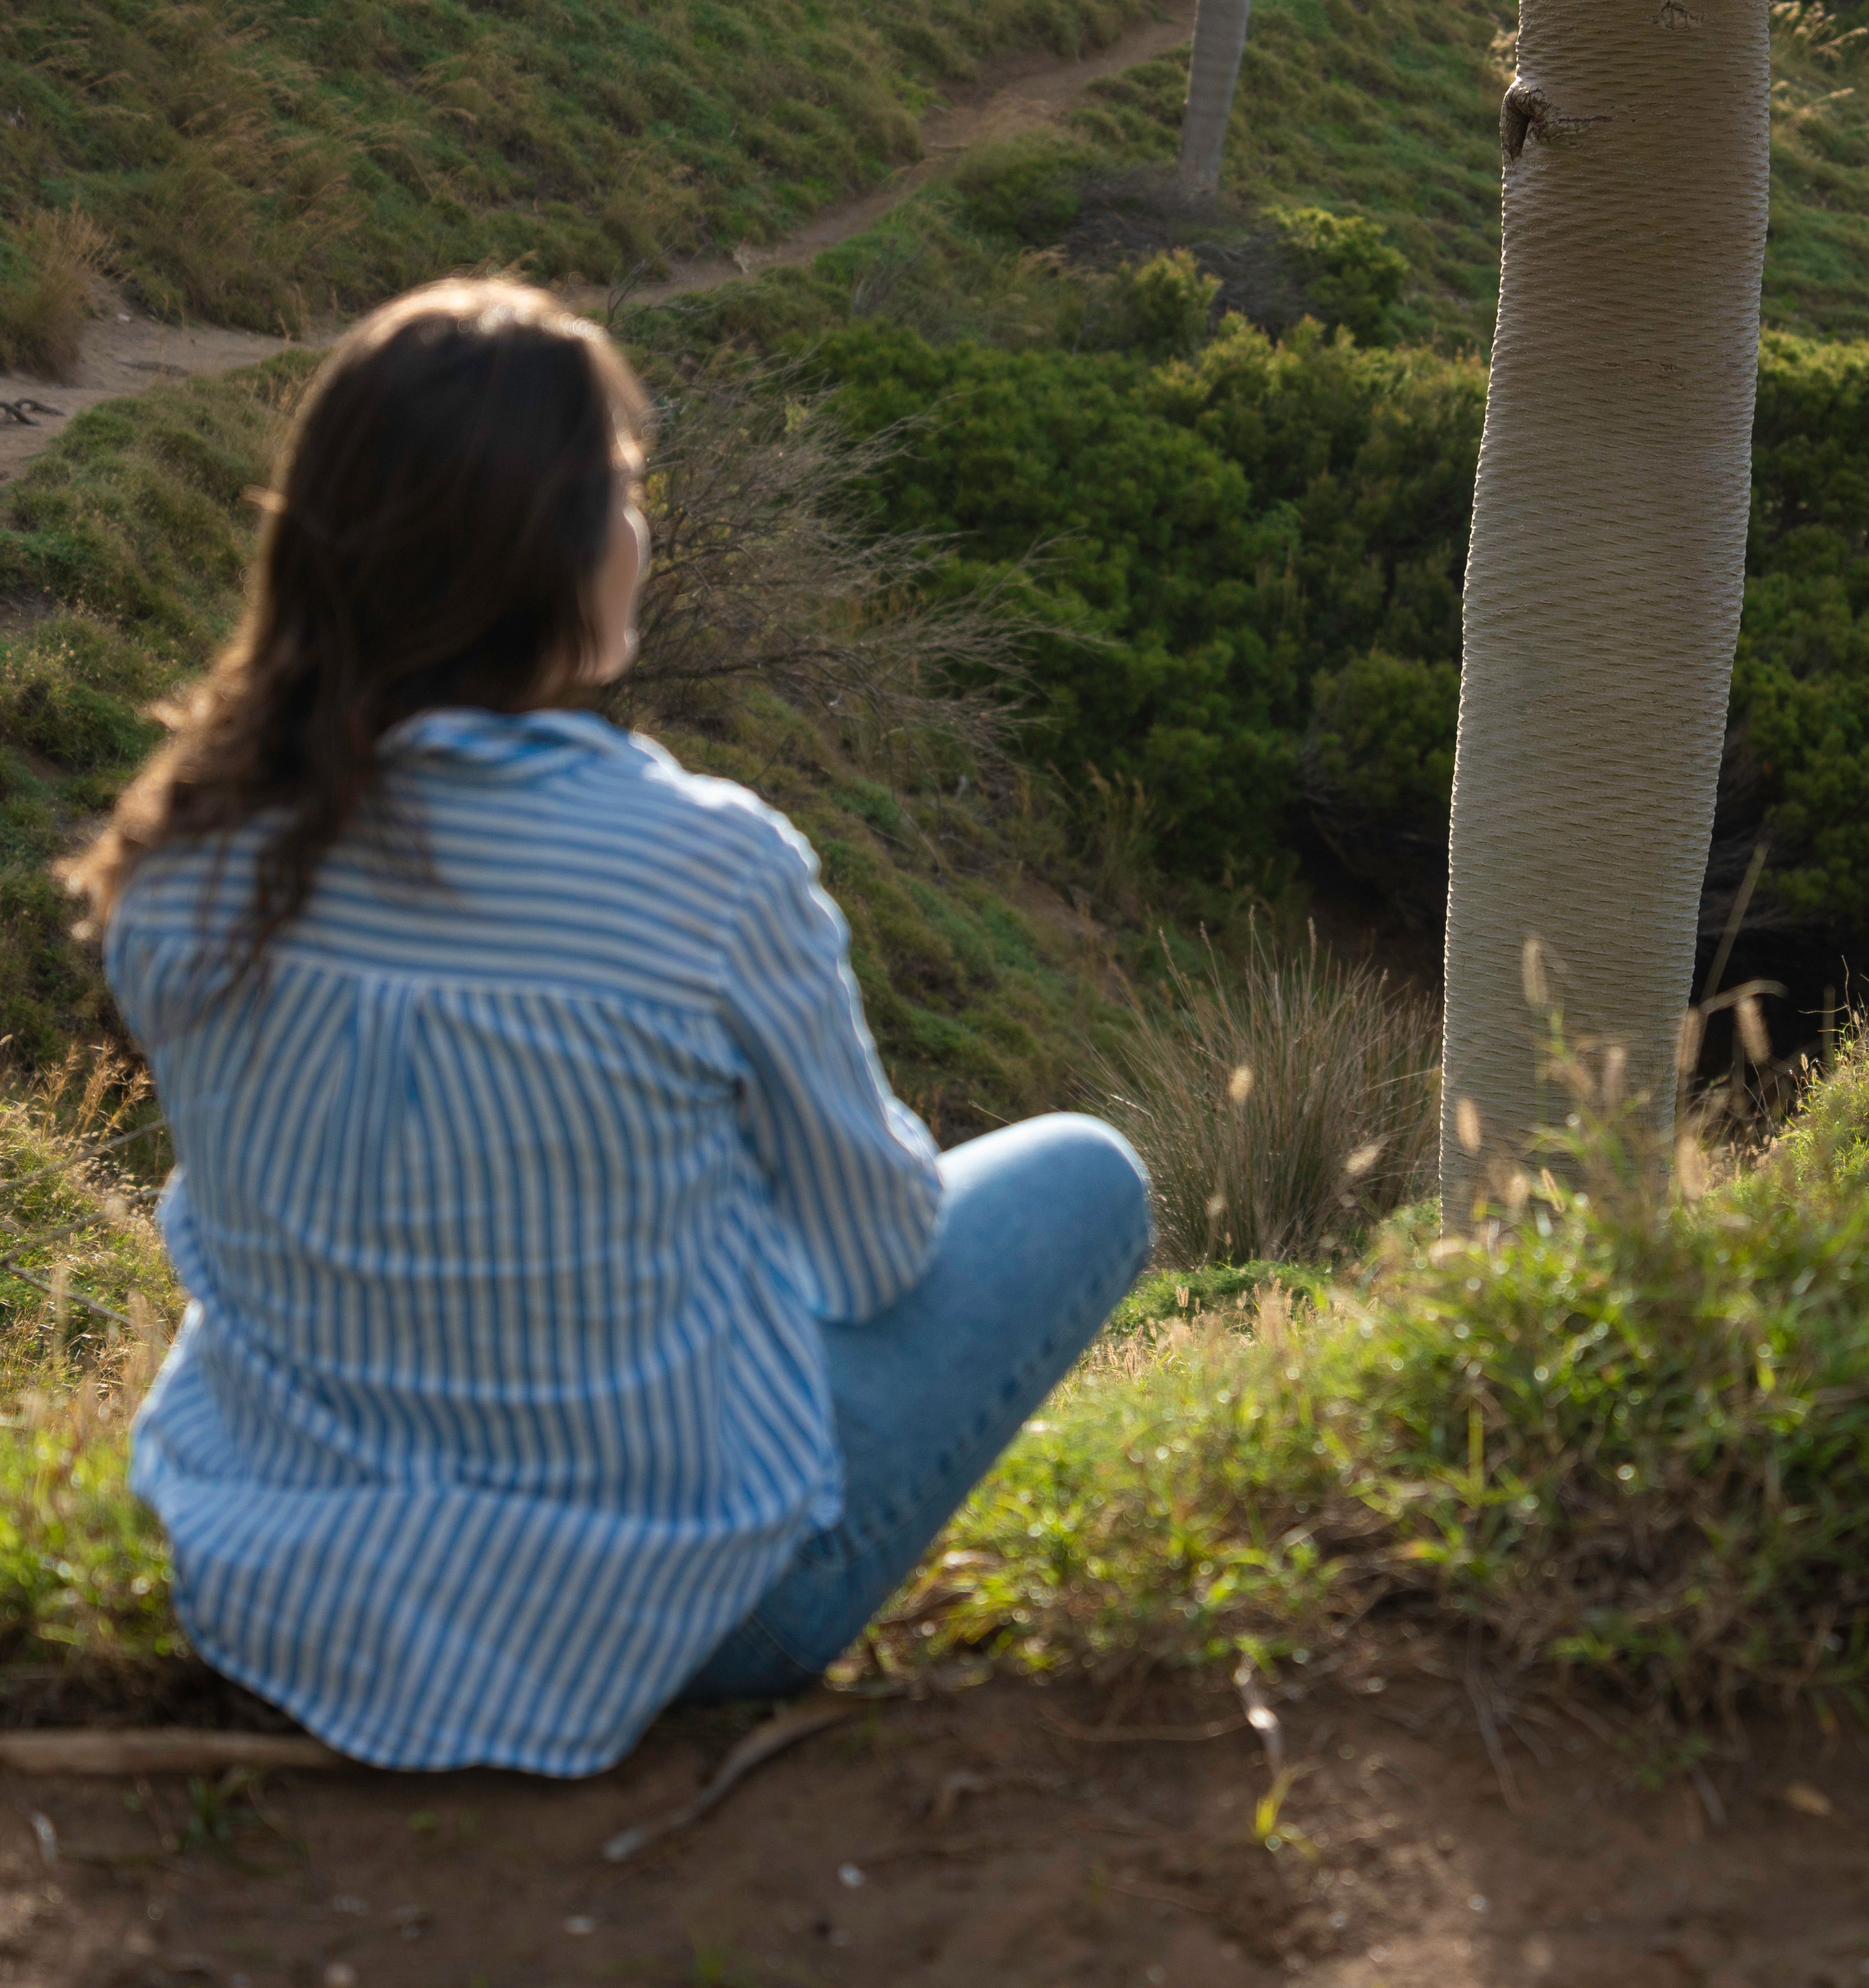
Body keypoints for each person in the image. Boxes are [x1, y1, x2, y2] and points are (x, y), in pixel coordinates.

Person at [59, 278, 1148, 1774]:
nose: (643, 532)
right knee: (1085, 1171)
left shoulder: (186, 855)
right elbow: (879, 1254)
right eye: (627, 494)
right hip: (691, 1616)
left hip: (278, 1588)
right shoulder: (707, 865)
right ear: (553, 554)